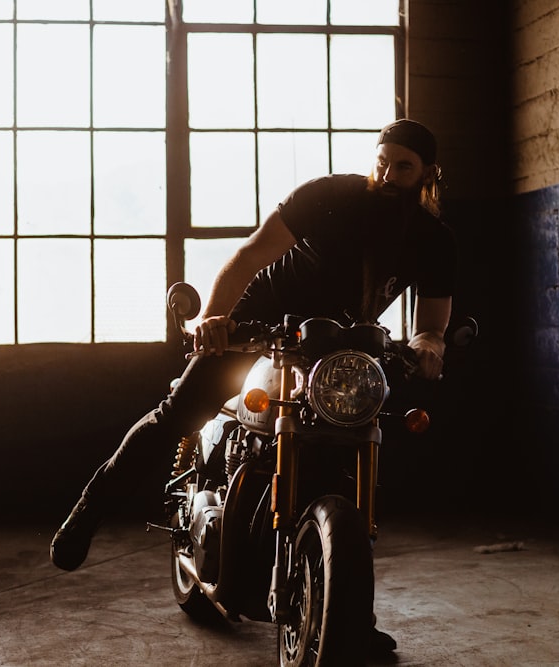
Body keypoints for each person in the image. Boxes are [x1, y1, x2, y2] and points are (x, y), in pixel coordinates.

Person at [50, 119, 456, 656]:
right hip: (259, 322)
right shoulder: (328, 195)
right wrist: (215, 320)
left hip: (339, 347)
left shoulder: (433, 239)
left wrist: (429, 347)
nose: (386, 174)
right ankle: (89, 509)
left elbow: (431, 324)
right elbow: (248, 257)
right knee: (180, 414)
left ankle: (349, 615)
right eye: (382, 160)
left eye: (402, 166)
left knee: (346, 454)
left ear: (426, 174)